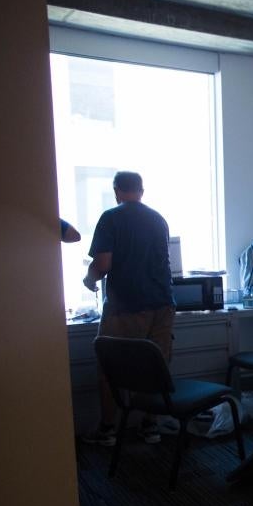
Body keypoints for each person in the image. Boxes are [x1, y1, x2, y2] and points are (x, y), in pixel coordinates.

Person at [81, 171, 175, 447]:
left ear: (116, 191)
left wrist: (88, 278)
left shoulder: (111, 218)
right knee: (155, 366)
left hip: (127, 306)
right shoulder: (158, 219)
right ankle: (150, 425)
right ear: (141, 191)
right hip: (163, 304)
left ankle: (108, 429)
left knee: (109, 366)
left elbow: (103, 265)